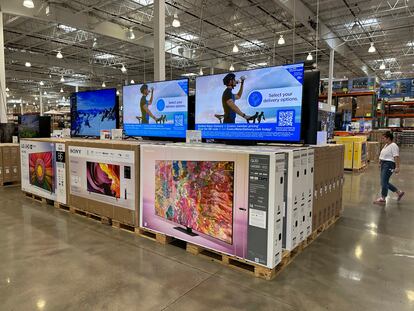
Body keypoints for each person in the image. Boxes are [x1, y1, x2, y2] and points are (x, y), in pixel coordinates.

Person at [374, 131, 405, 204]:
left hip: (389, 164)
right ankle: (399, 192)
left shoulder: (393, 145)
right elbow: (383, 155)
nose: (382, 139)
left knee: (384, 182)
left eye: (384, 138)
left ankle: (383, 198)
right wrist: (380, 162)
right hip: (384, 164)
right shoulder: (386, 145)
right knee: (384, 182)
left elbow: (396, 157)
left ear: (388, 138)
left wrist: (397, 167)